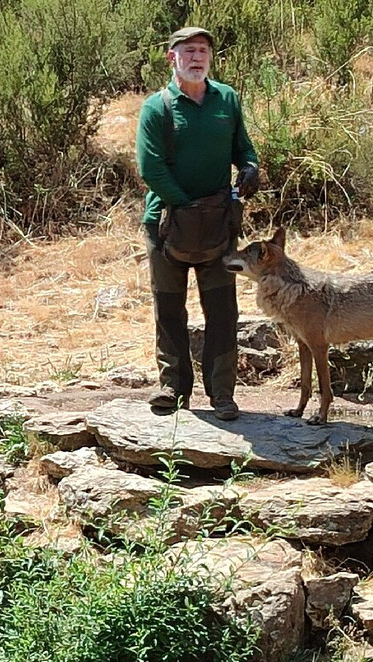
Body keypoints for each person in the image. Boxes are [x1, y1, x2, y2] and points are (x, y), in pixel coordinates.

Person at [135, 26, 259, 421]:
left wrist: (250, 167)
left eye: (203, 50)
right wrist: (187, 208)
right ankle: (172, 389)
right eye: (188, 51)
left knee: (222, 310)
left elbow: (243, 148)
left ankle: (222, 394)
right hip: (166, 224)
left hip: (219, 226)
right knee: (169, 309)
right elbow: (150, 168)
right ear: (172, 58)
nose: (197, 57)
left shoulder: (227, 99)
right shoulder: (157, 108)